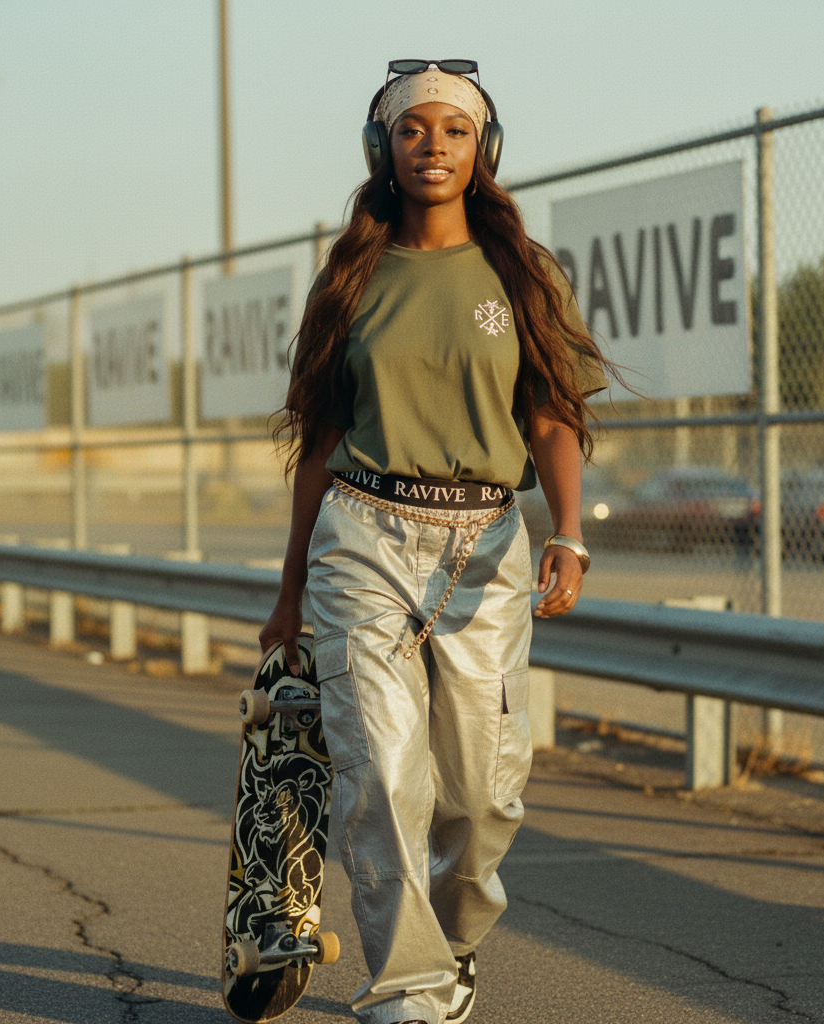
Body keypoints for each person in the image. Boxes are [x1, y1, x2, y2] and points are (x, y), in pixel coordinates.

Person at [260, 59, 614, 1024]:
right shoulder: (352, 278)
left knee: (484, 795)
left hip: (487, 543)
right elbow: (319, 446)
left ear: (482, 149)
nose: (433, 148)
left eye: (454, 131)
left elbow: (551, 416)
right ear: (383, 147)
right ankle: (407, 984)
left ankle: (451, 945)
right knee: (379, 772)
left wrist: (570, 533)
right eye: (412, 130)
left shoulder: (522, 274)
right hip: (363, 538)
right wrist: (289, 591)